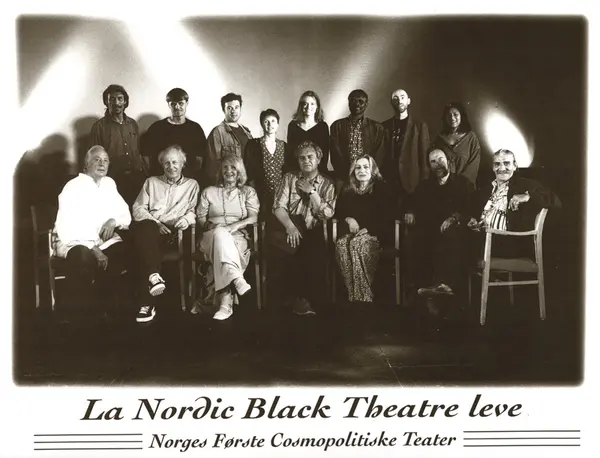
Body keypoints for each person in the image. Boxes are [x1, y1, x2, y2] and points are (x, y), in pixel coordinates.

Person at [53, 145, 131, 318]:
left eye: (106, 160)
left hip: (103, 241)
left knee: (123, 252)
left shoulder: (109, 184)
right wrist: (93, 248)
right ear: (86, 163)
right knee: (82, 258)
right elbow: (67, 226)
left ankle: (108, 310)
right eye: (97, 160)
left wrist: (113, 220)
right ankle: (83, 317)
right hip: (74, 242)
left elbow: (125, 214)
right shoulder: (73, 186)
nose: (102, 164)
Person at [131, 145, 199, 323]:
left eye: (175, 162)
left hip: (176, 233)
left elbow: (194, 211)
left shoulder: (192, 185)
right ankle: (154, 277)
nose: (171, 167)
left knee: (142, 249)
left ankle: (146, 304)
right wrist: (157, 224)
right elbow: (137, 209)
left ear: (183, 163)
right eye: (167, 163)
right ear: (161, 164)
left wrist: (187, 219)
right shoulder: (151, 182)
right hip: (152, 230)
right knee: (145, 231)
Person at [273, 140, 336, 315]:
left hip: (314, 230)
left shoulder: (328, 183)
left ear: (318, 159)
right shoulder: (289, 178)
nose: (306, 160)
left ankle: (309, 302)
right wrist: (290, 226)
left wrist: (312, 192)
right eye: (302, 158)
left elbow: (327, 214)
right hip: (290, 226)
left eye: (310, 157)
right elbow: (278, 206)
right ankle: (289, 303)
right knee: (282, 253)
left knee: (313, 255)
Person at [196, 154, 259, 320]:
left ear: (240, 171)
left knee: (222, 240)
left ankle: (225, 304)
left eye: (233, 168)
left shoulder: (248, 192)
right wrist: (213, 227)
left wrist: (233, 226)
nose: (229, 171)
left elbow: (253, 217)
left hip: (237, 236)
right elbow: (200, 218)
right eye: (225, 167)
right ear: (220, 171)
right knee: (219, 234)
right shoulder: (209, 191)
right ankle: (237, 279)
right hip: (210, 236)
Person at [403, 149, 474, 297]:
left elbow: (470, 208)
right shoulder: (424, 185)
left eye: (440, 159)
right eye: (433, 161)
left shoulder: (463, 183)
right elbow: (412, 202)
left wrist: (454, 218)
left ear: (448, 161)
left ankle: (445, 286)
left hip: (454, 229)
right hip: (430, 229)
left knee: (452, 238)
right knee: (413, 238)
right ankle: (421, 287)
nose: (438, 164)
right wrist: (410, 211)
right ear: (429, 166)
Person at [466, 148, 560, 257]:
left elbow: (554, 200)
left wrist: (528, 196)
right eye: (497, 164)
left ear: (514, 166)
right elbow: (474, 212)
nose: (502, 168)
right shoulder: (487, 189)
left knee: (460, 242)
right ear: (493, 167)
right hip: (484, 239)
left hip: (509, 243)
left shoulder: (525, 184)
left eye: (506, 163)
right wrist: (473, 220)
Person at [334, 155, 393, 303]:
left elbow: (388, 216)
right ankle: (353, 295)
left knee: (357, 244)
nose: (362, 170)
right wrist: (349, 219)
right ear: (353, 171)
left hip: (376, 234)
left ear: (372, 169)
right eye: (358, 167)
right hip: (353, 234)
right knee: (341, 245)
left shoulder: (381, 188)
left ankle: (364, 297)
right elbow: (339, 212)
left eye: (366, 167)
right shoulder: (348, 189)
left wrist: (369, 229)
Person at [90, 84, 147, 205]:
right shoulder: (99, 127)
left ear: (125, 102)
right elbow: (94, 158)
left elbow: (139, 152)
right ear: (106, 102)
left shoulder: (133, 124)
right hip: (113, 180)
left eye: (120, 99)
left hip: (136, 179)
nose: (116, 103)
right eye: (112, 99)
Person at [141, 87, 208, 180]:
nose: (177, 107)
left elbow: (200, 158)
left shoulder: (195, 128)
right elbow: (145, 155)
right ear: (168, 105)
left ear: (187, 103)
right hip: (161, 180)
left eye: (181, 103)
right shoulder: (157, 127)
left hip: (188, 181)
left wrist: (192, 178)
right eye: (173, 104)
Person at [380, 88, 430, 204]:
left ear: (408, 101)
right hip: (390, 182)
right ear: (391, 102)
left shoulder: (419, 125)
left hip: (411, 182)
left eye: (402, 97)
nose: (399, 101)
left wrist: (424, 184)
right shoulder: (384, 126)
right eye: (395, 98)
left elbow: (424, 157)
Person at [330, 89, 385, 186]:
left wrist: (368, 173)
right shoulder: (337, 126)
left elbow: (379, 154)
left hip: (368, 177)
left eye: (361, 101)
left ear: (366, 104)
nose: (357, 104)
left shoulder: (377, 128)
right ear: (348, 103)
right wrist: (347, 174)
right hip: (343, 177)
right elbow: (335, 153)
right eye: (353, 100)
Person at [244, 108, 291, 221]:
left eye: (273, 121)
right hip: (261, 193)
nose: (270, 125)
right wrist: (253, 195)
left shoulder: (284, 146)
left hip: (281, 195)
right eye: (266, 121)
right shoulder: (253, 145)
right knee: (263, 222)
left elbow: (288, 172)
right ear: (262, 124)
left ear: (278, 124)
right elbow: (250, 171)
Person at [201, 93, 253, 187]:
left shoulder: (247, 132)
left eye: (236, 107)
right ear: (223, 110)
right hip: (228, 184)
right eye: (229, 108)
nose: (233, 111)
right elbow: (212, 164)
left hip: (246, 184)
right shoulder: (217, 132)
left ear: (240, 108)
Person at [430, 102, 481, 186]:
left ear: (461, 116)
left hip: (465, 186)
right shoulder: (439, 140)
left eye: (455, 114)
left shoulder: (471, 138)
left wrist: (460, 184)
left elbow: (473, 165)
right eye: (449, 115)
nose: (452, 118)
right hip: (444, 186)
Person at [286, 90, 330, 176]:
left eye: (312, 104)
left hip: (318, 172)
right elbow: (290, 152)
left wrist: (319, 174)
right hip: (297, 171)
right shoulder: (293, 125)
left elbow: (325, 153)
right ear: (301, 106)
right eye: (305, 104)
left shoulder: (323, 126)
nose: (309, 107)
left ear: (317, 106)